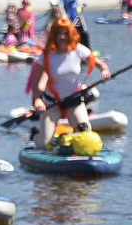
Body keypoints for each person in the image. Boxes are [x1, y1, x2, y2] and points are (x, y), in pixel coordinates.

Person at [28, 17, 111, 149]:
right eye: (59, 33)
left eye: (65, 33)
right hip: (52, 103)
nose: (62, 37)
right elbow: (35, 81)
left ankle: (68, 142)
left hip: (74, 101)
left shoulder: (78, 50)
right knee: (44, 144)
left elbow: (100, 64)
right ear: (53, 35)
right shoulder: (47, 55)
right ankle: (35, 135)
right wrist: (37, 100)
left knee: (85, 134)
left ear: (70, 34)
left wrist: (104, 70)